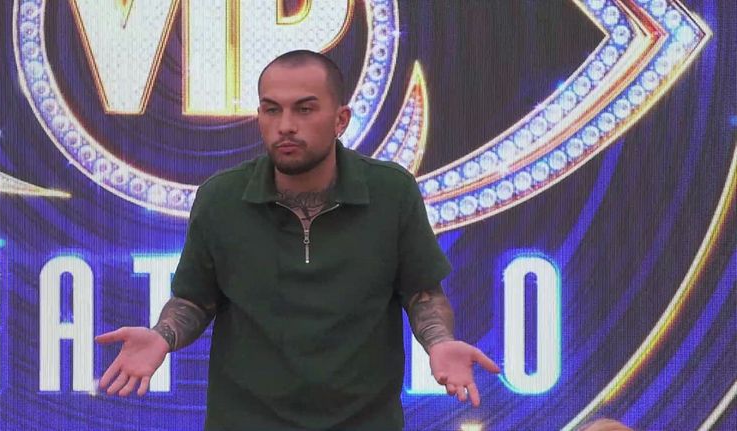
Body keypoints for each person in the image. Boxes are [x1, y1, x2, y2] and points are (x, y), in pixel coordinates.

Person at [95, 50, 500, 430]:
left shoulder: (391, 191)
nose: (286, 125)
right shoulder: (221, 198)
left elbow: (421, 294)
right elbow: (195, 300)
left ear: (341, 120)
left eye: (304, 109)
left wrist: (440, 343)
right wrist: (162, 336)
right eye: (272, 109)